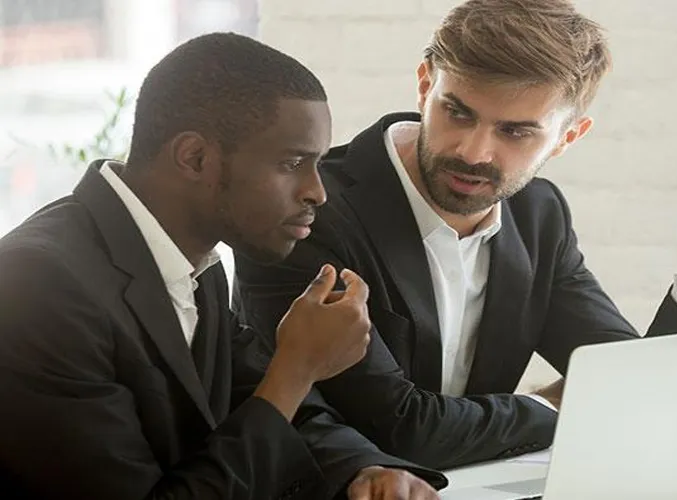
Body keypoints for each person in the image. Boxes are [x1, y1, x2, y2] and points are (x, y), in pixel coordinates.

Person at [233, 0, 677, 468]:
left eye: (516, 132)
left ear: (567, 136)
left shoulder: (538, 215)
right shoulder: (314, 212)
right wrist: (555, 404)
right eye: (457, 112)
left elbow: (636, 388)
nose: (474, 151)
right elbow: (401, 431)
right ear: (424, 84)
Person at [0, 33, 443, 500]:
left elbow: (255, 396)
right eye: (294, 162)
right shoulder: (38, 286)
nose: (318, 191)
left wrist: (363, 469)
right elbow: (275, 394)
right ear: (195, 158)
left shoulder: (193, 260)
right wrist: (298, 368)